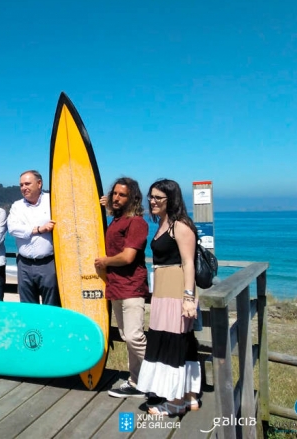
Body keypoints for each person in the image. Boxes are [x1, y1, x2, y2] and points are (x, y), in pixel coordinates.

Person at [136, 179, 201, 415]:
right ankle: (189, 396)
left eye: (158, 198)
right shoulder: (164, 223)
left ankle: (174, 402)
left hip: (175, 290)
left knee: (173, 342)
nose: (152, 201)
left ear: (171, 200)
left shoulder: (180, 226)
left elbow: (188, 263)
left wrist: (187, 297)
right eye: (151, 197)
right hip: (164, 289)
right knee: (181, 341)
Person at [94, 177, 149, 398]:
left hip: (132, 286)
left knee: (135, 336)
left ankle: (163, 377)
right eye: (115, 193)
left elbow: (128, 257)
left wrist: (104, 262)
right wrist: (106, 205)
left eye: (122, 195)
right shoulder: (116, 220)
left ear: (133, 198)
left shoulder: (136, 222)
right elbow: (112, 210)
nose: (117, 197)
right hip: (116, 287)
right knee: (127, 336)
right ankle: (136, 381)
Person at [7, 170, 60, 306]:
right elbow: (12, 228)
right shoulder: (17, 206)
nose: (24, 188)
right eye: (21, 185)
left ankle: (49, 328)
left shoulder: (53, 200)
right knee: (28, 307)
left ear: (39, 183)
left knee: (51, 305)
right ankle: (33, 329)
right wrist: (38, 229)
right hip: (24, 264)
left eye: (27, 184)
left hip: (48, 263)